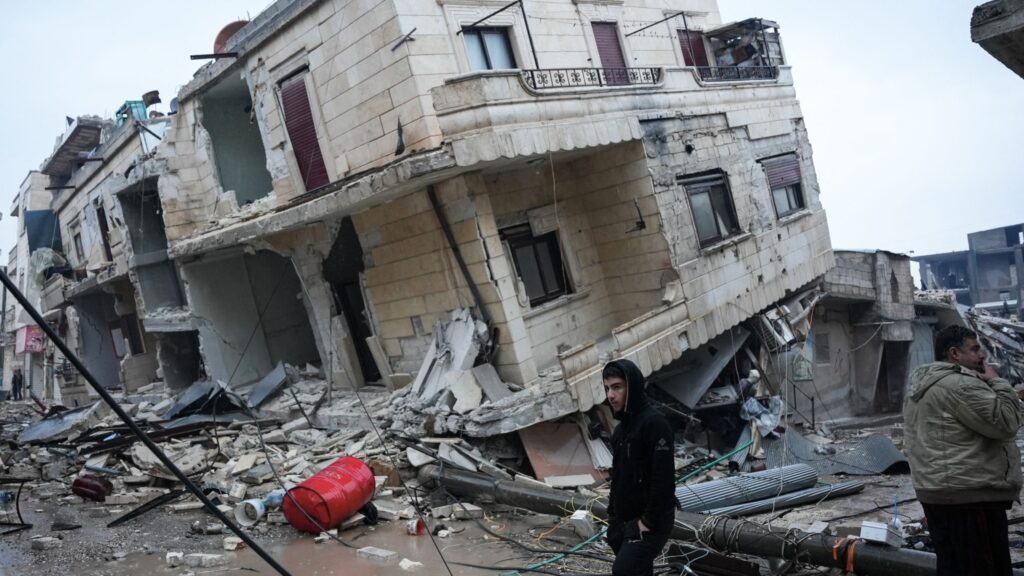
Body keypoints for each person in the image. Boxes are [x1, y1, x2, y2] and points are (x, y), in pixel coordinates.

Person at [904, 325, 1024, 576]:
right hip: (969, 496)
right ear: (954, 354)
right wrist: (997, 382)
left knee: (953, 567)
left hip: (937, 493)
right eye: (975, 349)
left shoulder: (924, 384)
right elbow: (1006, 423)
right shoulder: (961, 385)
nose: (981, 355)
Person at [603, 359, 675, 576]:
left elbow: (664, 479)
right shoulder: (621, 430)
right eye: (607, 388)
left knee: (624, 571)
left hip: (649, 522)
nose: (610, 395)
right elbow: (618, 475)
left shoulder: (655, 424)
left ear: (631, 387)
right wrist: (613, 516)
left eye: (617, 387)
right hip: (623, 522)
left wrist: (648, 521)